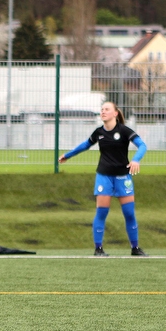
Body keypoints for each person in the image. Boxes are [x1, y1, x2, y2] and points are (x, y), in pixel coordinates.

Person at [58, 101, 148, 257]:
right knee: (101, 212)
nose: (103, 112)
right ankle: (98, 249)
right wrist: (67, 155)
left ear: (115, 113)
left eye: (107, 109)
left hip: (123, 177)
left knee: (129, 213)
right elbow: (85, 145)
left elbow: (142, 145)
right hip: (104, 177)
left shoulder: (124, 131)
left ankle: (135, 248)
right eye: (102, 109)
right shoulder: (99, 132)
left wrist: (136, 160)